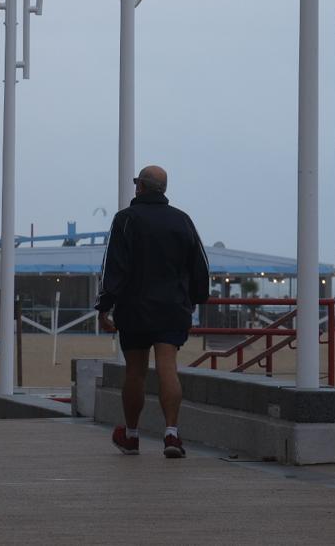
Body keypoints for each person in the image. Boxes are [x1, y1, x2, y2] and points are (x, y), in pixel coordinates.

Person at [96, 165, 209, 459]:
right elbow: (200, 265)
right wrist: (196, 298)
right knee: (167, 367)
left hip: (134, 309)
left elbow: (114, 267)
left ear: (141, 187)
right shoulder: (182, 221)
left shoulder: (126, 220)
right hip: (172, 307)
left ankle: (131, 435)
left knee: (135, 371)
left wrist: (104, 306)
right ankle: (171, 433)